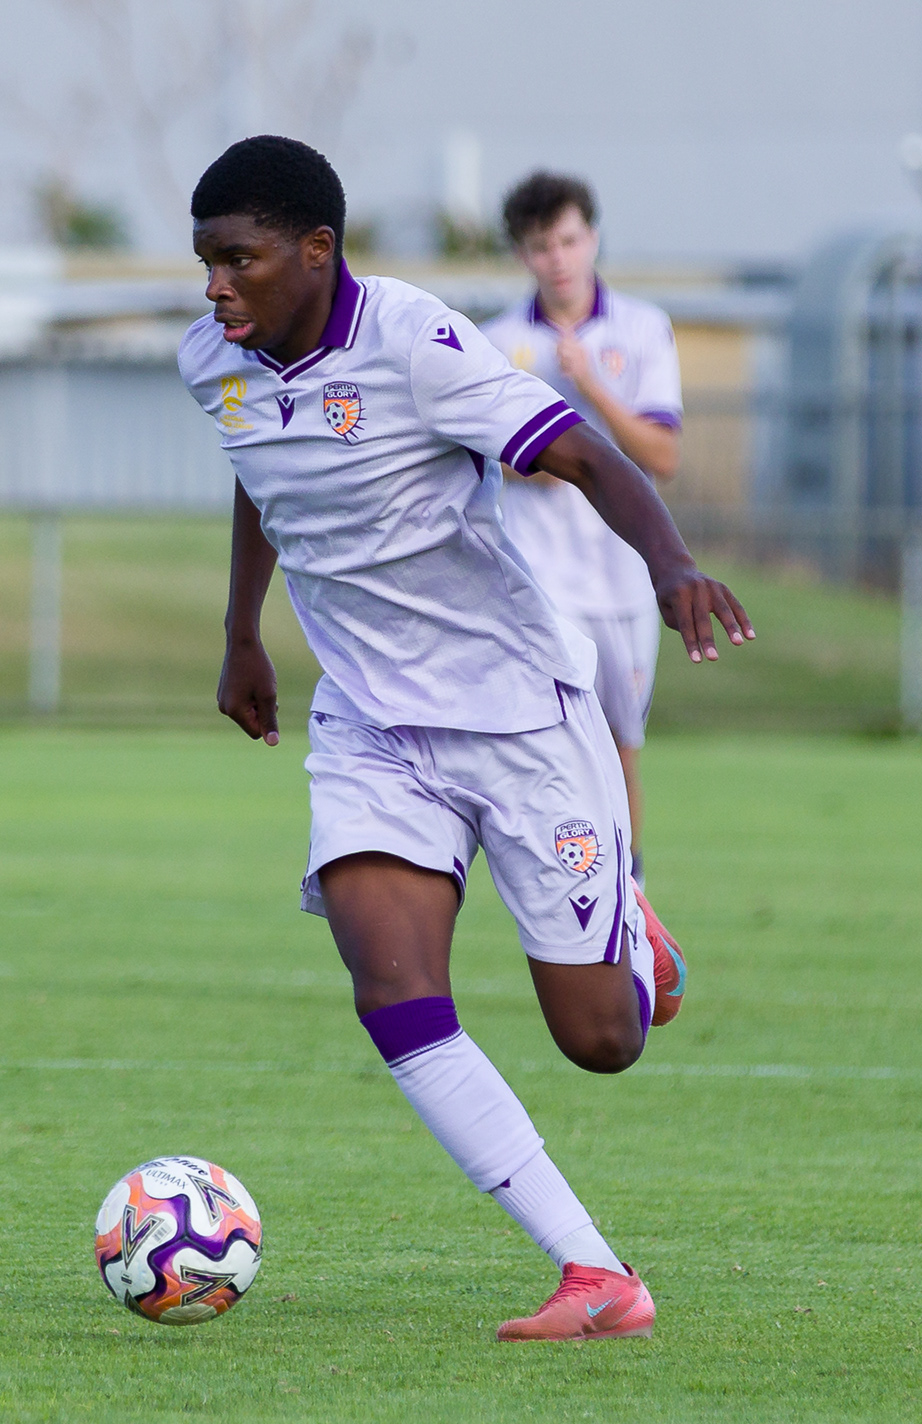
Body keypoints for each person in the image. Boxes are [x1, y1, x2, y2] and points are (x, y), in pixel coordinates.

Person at [180, 136, 752, 1340]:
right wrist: (242, 633)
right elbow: (260, 466)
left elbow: (585, 452)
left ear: (315, 250)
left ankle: (629, 932)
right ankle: (594, 1272)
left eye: (239, 260)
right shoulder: (213, 362)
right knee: (391, 988)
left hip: (518, 713)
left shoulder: (416, 342)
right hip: (372, 725)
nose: (216, 288)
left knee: (601, 1042)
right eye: (205, 264)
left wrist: (671, 567)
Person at [481, 174, 682, 885]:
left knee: (622, 747)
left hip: (622, 576)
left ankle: (629, 890)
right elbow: (492, 458)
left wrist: (591, 383)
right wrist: (536, 460)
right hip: (542, 577)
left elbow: (662, 455)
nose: (558, 260)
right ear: (522, 254)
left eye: (569, 241)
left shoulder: (642, 329)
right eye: (541, 247)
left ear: (592, 238)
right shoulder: (497, 341)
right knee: (557, 745)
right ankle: (568, 887)